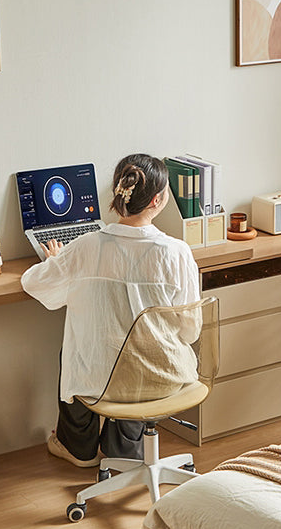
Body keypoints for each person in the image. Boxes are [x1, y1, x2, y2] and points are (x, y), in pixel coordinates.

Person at [21, 154, 200, 467]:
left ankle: (77, 446)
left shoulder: (85, 246)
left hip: (102, 382)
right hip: (165, 378)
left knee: (78, 349)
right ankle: (125, 446)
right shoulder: (177, 253)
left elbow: (34, 284)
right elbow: (190, 330)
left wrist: (55, 262)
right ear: (157, 200)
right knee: (141, 346)